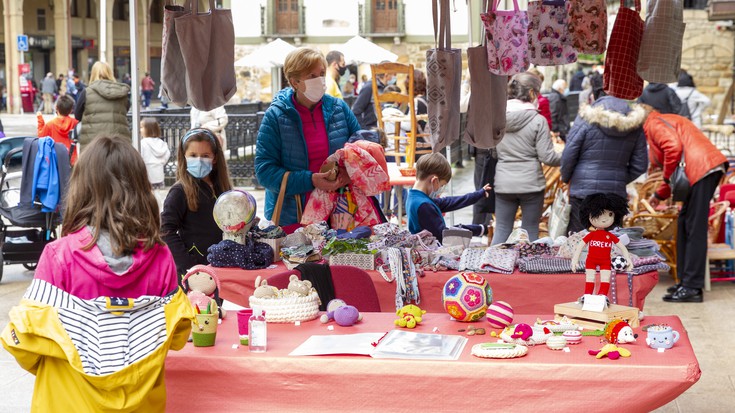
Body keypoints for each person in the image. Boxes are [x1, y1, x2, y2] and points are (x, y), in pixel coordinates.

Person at [1, 135, 193, 412]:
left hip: (67, 400)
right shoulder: (160, 257)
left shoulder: (59, 257)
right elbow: (175, 337)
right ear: (141, 187)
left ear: (80, 187)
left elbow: (26, 340)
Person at [256, 47, 360, 226]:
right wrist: (310, 180)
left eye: (322, 73)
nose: (320, 80)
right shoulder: (275, 116)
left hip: (340, 213)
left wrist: (347, 173)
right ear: (294, 82)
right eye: (312, 76)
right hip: (294, 217)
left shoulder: (339, 108)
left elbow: (360, 149)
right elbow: (264, 172)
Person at [644, 111, 728, 303]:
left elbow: (673, 148)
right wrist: (660, 194)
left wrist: (664, 182)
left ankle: (692, 287)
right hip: (701, 169)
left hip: (702, 169)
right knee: (684, 224)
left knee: (694, 228)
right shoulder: (661, 121)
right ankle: (685, 281)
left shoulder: (653, 123)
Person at [561, 96, 648, 234]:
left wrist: (566, 178)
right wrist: (618, 179)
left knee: (578, 241)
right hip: (614, 193)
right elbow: (640, 165)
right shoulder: (634, 125)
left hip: (583, 190)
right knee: (611, 243)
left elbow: (569, 154)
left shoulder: (586, 118)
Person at [491, 73, 561, 245]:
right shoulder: (538, 120)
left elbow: (492, 153)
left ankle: (492, 266)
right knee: (530, 230)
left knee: (501, 229)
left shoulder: (496, 119)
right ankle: (528, 269)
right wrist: (570, 155)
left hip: (504, 182)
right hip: (531, 183)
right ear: (531, 93)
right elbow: (548, 157)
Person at [161, 128, 231, 278]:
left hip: (222, 266)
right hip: (195, 274)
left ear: (215, 158)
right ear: (184, 156)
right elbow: (166, 230)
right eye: (193, 155)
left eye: (205, 155)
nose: (199, 160)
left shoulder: (221, 187)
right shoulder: (179, 191)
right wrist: (189, 265)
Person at [406, 152, 491, 243]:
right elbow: (446, 234)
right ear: (434, 180)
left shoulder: (414, 197)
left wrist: (478, 194)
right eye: (441, 185)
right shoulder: (423, 205)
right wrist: (481, 229)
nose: (440, 188)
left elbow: (449, 202)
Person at [74, 61, 131, 151]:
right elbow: (125, 110)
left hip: (92, 144)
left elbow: (77, 115)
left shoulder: (87, 92)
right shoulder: (122, 93)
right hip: (119, 144)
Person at [36, 94, 79, 164]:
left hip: (55, 159)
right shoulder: (75, 123)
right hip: (71, 159)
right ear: (71, 110)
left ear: (56, 108)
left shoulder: (50, 124)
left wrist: (40, 119)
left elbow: (41, 136)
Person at [140, 117, 171, 190]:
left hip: (147, 176)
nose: (140, 130)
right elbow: (167, 154)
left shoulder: (143, 143)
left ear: (148, 129)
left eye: (141, 127)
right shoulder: (161, 143)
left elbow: (139, 157)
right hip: (159, 175)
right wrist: (160, 163)